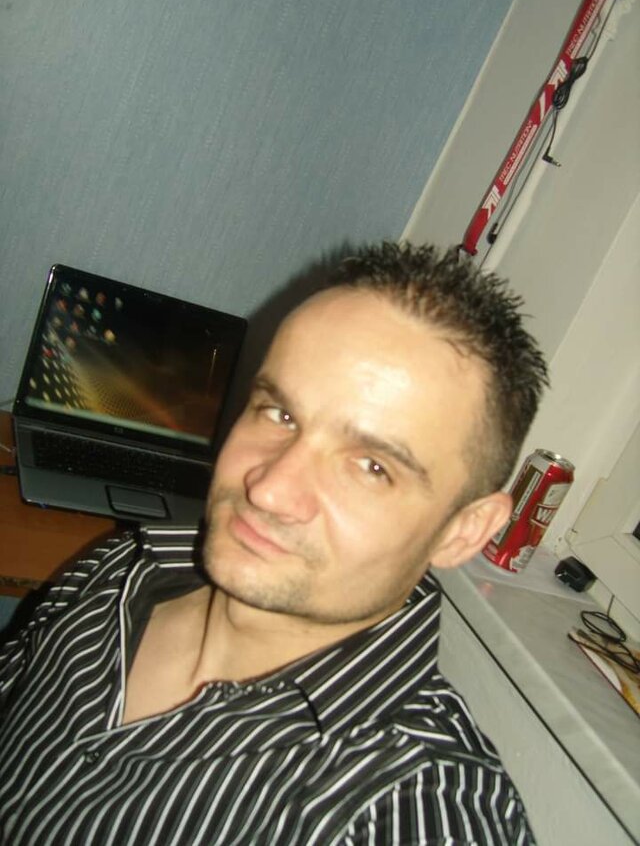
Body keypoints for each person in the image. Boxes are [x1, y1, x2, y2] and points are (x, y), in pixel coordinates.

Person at [0, 242, 547, 845]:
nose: (268, 489)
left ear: (463, 530)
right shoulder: (124, 566)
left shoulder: (414, 807)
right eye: (279, 414)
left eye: (371, 466)